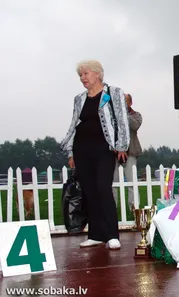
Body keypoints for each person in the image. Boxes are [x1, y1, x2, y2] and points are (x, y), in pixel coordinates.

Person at [60, 60, 130, 250]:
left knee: (103, 188)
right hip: (81, 149)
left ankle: (112, 235)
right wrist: (70, 152)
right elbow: (74, 124)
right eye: (80, 75)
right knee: (89, 191)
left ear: (98, 74)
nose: (83, 78)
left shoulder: (114, 93)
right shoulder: (79, 99)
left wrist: (121, 145)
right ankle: (96, 234)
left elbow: (122, 121)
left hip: (104, 149)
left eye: (86, 74)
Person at [113, 93, 143, 212]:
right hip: (113, 153)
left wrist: (124, 114)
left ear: (130, 103)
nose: (122, 103)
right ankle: (112, 206)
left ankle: (134, 207)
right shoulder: (112, 115)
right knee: (113, 182)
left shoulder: (137, 115)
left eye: (125, 101)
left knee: (132, 182)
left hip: (131, 152)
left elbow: (135, 126)